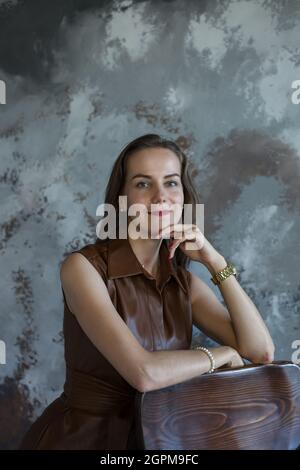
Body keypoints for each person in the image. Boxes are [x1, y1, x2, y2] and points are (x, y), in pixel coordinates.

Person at [19, 133, 275, 450]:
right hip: (85, 440)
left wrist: (215, 262)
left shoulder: (184, 283)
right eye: (143, 184)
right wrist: (222, 355)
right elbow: (143, 374)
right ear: (121, 197)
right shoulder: (83, 268)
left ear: (183, 195)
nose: (160, 197)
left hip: (162, 440)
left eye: (171, 183)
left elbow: (260, 352)